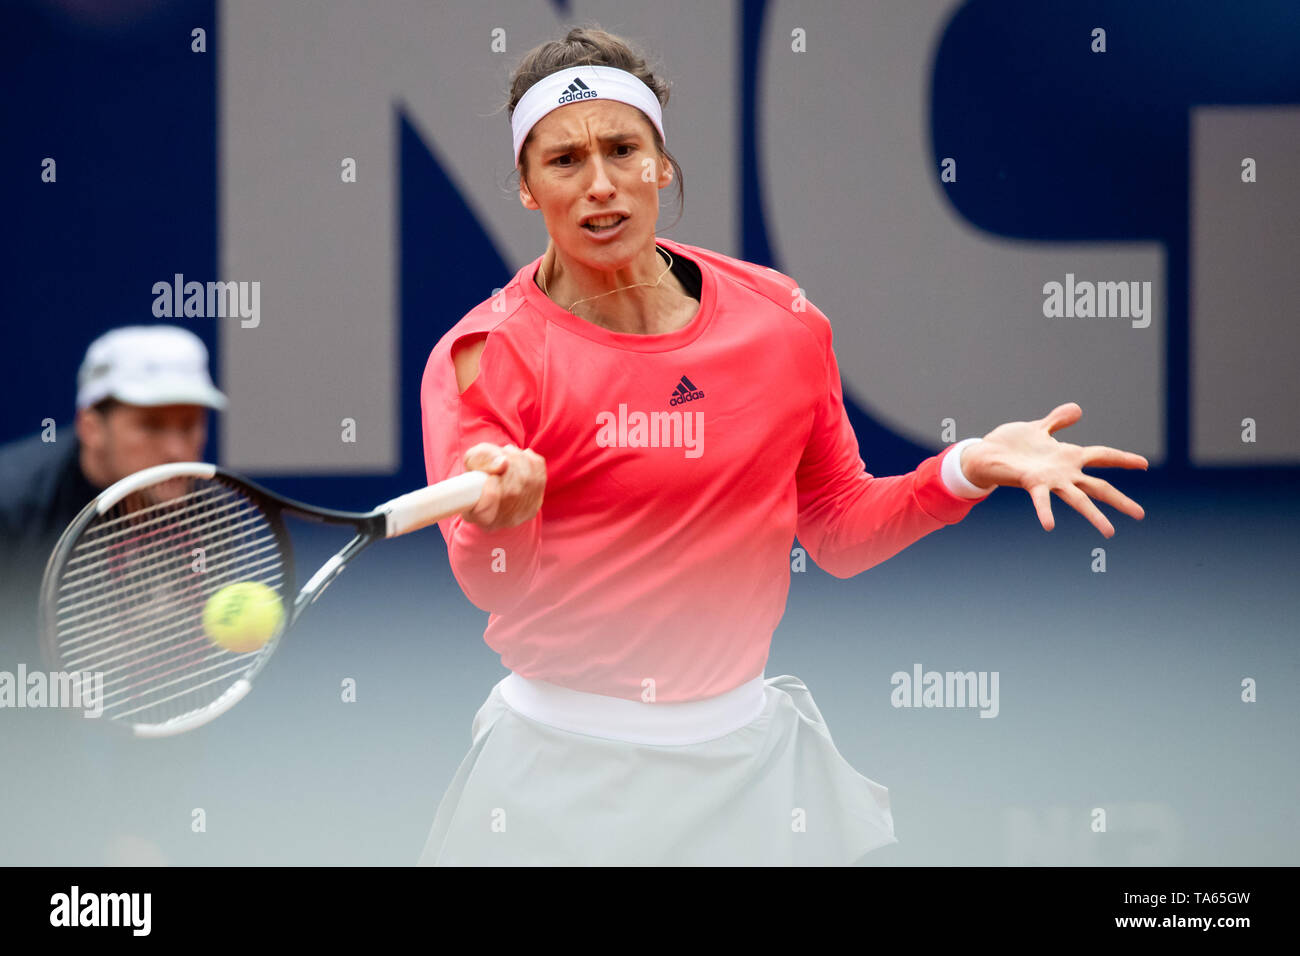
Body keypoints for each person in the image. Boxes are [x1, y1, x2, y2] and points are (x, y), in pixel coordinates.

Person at [417, 26, 1147, 866]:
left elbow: (835, 527)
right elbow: (490, 585)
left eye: (624, 149)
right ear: (525, 187)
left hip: (748, 773)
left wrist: (964, 469)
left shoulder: (779, 320)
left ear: (662, 163)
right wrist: (507, 518)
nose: (602, 185)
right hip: (554, 779)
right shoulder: (485, 358)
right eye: (564, 162)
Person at [0, 324, 226, 865]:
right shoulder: (11, 508)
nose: (177, 449)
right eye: (150, 425)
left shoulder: (214, 520)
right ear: (89, 426)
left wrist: (143, 832)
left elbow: (175, 696)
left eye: (191, 425)